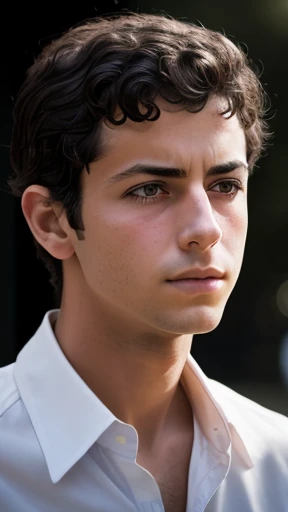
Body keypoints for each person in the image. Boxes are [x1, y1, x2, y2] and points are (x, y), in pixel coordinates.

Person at [2, 12, 287, 512]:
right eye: (150, 189)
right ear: (51, 222)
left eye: (225, 186)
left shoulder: (279, 462)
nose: (206, 228)